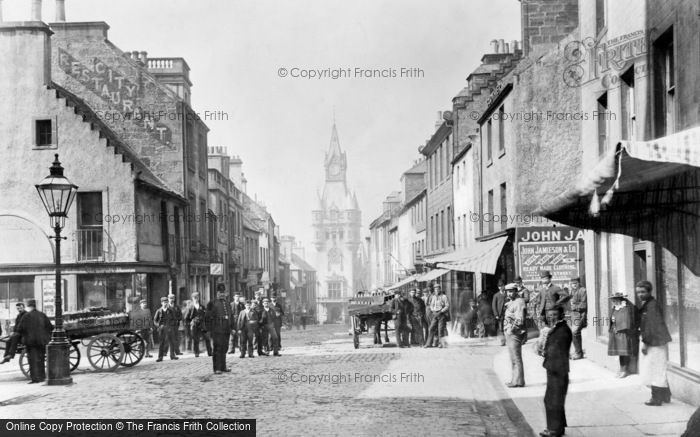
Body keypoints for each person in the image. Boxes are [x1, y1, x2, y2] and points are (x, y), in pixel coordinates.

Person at [636, 280, 672, 406]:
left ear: (649, 292)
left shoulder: (651, 306)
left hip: (654, 341)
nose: (640, 294)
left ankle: (656, 398)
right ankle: (666, 395)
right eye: (638, 292)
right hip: (656, 340)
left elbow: (651, 326)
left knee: (654, 369)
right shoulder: (649, 304)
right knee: (658, 367)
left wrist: (646, 343)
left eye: (643, 292)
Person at [541, 305, 572, 437]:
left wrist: (545, 353)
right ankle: (558, 427)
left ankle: (553, 430)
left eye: (554, 315)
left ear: (561, 315)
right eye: (549, 315)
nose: (551, 317)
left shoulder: (562, 330)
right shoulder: (558, 328)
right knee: (555, 399)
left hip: (557, 369)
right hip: (555, 368)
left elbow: (556, 351)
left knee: (552, 400)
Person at [15, 300, 53, 384]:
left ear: (29, 306)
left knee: (32, 360)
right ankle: (42, 377)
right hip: (42, 341)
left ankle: (35, 379)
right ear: (36, 306)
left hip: (30, 342)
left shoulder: (26, 316)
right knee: (41, 359)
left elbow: (19, 328)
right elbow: (50, 327)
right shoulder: (42, 315)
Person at [607, 292, 638, 378]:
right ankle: (621, 369)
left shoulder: (626, 308)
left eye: (616, 300)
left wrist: (619, 327)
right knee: (620, 353)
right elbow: (612, 319)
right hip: (616, 333)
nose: (614, 302)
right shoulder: (615, 308)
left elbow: (627, 321)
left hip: (624, 333)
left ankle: (625, 370)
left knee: (624, 352)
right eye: (613, 300)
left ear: (620, 300)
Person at [504, 283, 527, 387]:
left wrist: (511, 330)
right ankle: (515, 380)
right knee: (513, 358)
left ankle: (519, 381)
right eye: (508, 291)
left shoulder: (519, 302)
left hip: (515, 333)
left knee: (516, 358)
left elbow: (519, 320)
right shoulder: (512, 302)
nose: (509, 293)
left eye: (511, 291)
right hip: (510, 332)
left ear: (516, 291)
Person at [205, 288, 233, 374]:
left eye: (223, 292)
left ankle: (223, 367)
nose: (222, 294)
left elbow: (231, 316)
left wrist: (232, 327)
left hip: (226, 329)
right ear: (217, 293)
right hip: (216, 329)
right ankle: (217, 368)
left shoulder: (227, 303)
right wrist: (208, 330)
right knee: (217, 348)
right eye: (220, 293)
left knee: (224, 348)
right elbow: (207, 317)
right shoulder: (212, 303)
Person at [184, 292, 212, 358]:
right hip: (194, 326)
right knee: (195, 340)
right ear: (192, 299)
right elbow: (186, 318)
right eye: (195, 298)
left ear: (199, 298)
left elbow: (206, 316)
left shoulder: (202, 307)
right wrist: (190, 323)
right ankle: (196, 353)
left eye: (197, 298)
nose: (196, 299)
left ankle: (210, 352)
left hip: (202, 325)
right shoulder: (190, 308)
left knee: (207, 338)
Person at [153, 296, 179, 361]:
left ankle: (172, 356)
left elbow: (174, 319)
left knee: (171, 342)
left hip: (170, 328)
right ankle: (160, 357)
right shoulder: (158, 311)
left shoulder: (171, 310)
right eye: (164, 302)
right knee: (161, 343)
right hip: (162, 329)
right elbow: (155, 320)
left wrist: (171, 326)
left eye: (166, 302)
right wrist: (159, 326)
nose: (165, 303)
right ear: (161, 303)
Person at [424, 283, 449, 348]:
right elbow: (431, 305)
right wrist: (433, 311)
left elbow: (447, 306)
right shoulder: (433, 296)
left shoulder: (444, 296)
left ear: (440, 289)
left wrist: (441, 311)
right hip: (435, 314)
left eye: (438, 289)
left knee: (440, 329)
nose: (437, 290)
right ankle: (428, 343)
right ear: (434, 290)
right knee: (431, 328)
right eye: (435, 289)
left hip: (441, 315)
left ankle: (441, 344)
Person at [568, 277, 587, 359]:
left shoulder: (583, 290)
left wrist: (574, 307)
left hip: (580, 314)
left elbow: (584, 304)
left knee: (575, 332)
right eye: (572, 284)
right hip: (574, 315)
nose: (574, 285)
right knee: (574, 333)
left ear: (579, 283)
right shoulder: (572, 291)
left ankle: (579, 353)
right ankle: (578, 352)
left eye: (575, 283)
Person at [492, 280, 507, 346]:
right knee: (501, 328)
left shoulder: (507, 294)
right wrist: (496, 314)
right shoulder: (496, 295)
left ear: (504, 286)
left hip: (507, 313)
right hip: (500, 314)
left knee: (508, 327)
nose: (500, 287)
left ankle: (509, 340)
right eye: (499, 286)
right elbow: (493, 305)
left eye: (502, 286)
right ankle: (503, 341)